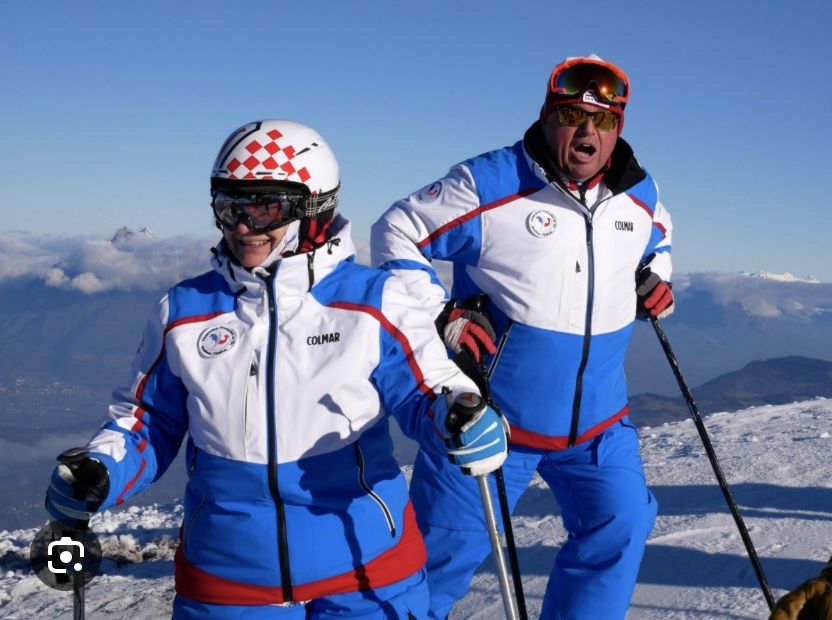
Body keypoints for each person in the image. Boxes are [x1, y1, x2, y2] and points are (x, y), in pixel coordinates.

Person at [45, 119, 509, 619]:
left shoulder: (375, 304)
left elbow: (430, 392)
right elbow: (149, 420)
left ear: (313, 209)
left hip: (366, 570)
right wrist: (101, 469)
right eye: (229, 206)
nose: (243, 226)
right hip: (229, 577)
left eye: (264, 207)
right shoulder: (183, 310)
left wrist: (463, 417)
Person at [371, 55, 674, 619]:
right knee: (437, 562)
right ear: (546, 116)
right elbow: (396, 229)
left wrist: (654, 279)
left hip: (599, 425)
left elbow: (658, 237)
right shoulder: (490, 182)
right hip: (491, 421)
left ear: (618, 131)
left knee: (622, 527)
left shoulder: (639, 191)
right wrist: (441, 311)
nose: (587, 131)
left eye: (603, 121)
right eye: (571, 114)